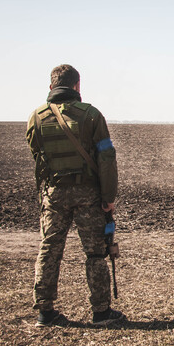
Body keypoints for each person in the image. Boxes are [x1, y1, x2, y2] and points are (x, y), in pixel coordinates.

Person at [26, 64, 124, 327]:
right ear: (77, 86)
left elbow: (38, 158)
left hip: (54, 194)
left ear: (51, 87)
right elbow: (106, 157)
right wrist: (108, 196)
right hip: (87, 195)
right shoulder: (91, 116)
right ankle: (101, 312)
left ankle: (45, 312)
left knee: (49, 249)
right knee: (94, 254)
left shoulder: (36, 118)